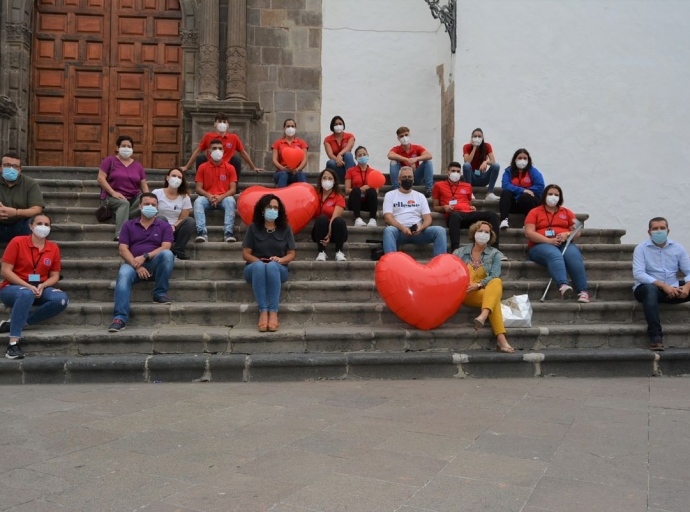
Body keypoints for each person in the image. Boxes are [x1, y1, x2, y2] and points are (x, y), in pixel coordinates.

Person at [0, 214, 69, 359]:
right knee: (26, 293)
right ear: (31, 226)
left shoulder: (53, 248)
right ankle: (13, 344)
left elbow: (55, 275)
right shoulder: (17, 242)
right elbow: (5, 271)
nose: (43, 227)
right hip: (13, 289)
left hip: (39, 289)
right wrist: (27, 286)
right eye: (39, 223)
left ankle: (21, 321)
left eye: (46, 224)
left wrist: (44, 285)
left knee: (61, 299)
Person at [109, 193, 175, 332]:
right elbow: (122, 249)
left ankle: (159, 294)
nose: (150, 207)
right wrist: (136, 265)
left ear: (157, 207)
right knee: (123, 275)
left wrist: (145, 256)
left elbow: (166, 246)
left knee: (167, 254)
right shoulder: (128, 225)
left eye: (153, 204)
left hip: (154, 263)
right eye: (146, 204)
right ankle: (119, 318)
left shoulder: (164, 226)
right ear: (140, 206)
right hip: (133, 265)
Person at [453, 221, 514, 353]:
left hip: (482, 291)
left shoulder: (495, 254)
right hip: (464, 291)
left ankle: (485, 317)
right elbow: (450, 271)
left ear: (490, 236)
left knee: (496, 281)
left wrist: (479, 285)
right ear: (474, 233)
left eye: (487, 232)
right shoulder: (459, 252)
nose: (483, 234)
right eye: (480, 231)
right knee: (494, 300)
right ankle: (500, 338)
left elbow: (494, 275)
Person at [524, 184, 589, 302]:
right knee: (554, 255)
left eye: (556, 195)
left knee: (574, 256)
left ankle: (583, 291)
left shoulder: (567, 212)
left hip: (564, 243)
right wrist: (549, 241)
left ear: (560, 197)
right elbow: (529, 233)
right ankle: (563, 286)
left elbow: (577, 231)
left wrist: (567, 235)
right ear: (544, 196)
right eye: (550, 194)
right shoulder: (534, 212)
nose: (553, 197)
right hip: (540, 245)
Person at [633, 217, 690, 351]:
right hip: (647, 289)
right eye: (655, 229)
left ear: (668, 230)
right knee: (650, 289)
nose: (659, 231)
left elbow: (689, 271)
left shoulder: (678, 248)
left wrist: (687, 287)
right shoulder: (641, 249)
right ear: (649, 232)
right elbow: (639, 274)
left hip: (673, 288)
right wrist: (664, 286)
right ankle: (656, 336)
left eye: (662, 228)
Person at [242, 194, 296, 332]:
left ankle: (273, 312)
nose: (273, 210)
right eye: (269, 207)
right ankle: (263, 311)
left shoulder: (285, 228)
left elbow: (291, 253)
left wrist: (281, 260)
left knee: (272, 266)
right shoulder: (253, 228)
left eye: (275, 208)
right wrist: (259, 262)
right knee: (260, 266)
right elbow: (246, 254)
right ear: (262, 210)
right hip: (254, 268)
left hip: (278, 268)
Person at [433, 161, 501, 252]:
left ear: (461, 173)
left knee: (492, 215)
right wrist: (444, 207)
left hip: (468, 214)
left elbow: (469, 204)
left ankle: (495, 249)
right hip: (454, 216)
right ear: (448, 172)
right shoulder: (438, 185)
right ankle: (455, 250)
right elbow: (435, 207)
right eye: (453, 171)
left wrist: (472, 208)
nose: (455, 173)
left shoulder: (467, 186)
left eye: (458, 171)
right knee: (454, 215)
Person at [382, 166, 447, 257]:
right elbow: (387, 217)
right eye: (404, 177)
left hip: (418, 233)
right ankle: (391, 263)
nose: (407, 179)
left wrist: (421, 227)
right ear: (399, 180)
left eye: (410, 177)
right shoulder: (390, 195)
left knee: (440, 231)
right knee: (389, 230)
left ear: (413, 180)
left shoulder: (420, 196)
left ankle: (441, 263)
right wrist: (403, 228)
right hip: (399, 232)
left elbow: (428, 218)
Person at [97, 135, 149, 241]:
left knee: (145, 201)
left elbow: (143, 184)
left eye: (129, 146)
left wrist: (148, 198)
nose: (126, 148)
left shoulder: (138, 166)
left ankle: (123, 216)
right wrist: (113, 192)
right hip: (112, 197)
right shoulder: (110, 161)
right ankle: (120, 234)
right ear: (118, 148)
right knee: (124, 203)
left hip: (133, 197)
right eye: (123, 146)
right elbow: (100, 178)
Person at [181, 112, 262, 175]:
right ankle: (200, 184)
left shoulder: (233, 137)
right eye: (220, 121)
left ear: (228, 125)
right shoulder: (208, 136)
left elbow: (243, 153)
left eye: (224, 122)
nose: (222, 123)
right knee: (200, 158)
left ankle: (235, 186)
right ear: (215, 124)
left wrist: (253, 167)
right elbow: (198, 151)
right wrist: (187, 166)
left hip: (227, 167)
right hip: (211, 165)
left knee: (236, 160)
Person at [194, 139, 238, 243]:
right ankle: (202, 233)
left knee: (231, 201)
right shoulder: (202, 167)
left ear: (223, 151)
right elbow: (198, 188)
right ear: (209, 151)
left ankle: (228, 233)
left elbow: (233, 189)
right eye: (214, 148)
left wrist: (221, 197)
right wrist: (208, 195)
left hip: (224, 198)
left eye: (220, 148)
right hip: (207, 198)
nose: (217, 150)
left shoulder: (230, 168)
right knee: (197, 202)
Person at [0, 152, 44, 244]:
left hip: (20, 226)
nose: (11, 168)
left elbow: (37, 209)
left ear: (20, 170)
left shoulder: (30, 184)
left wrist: (15, 212)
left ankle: (27, 255)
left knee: (33, 222)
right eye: (6, 165)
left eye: (15, 166)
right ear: (1, 167)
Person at [152, 168, 195, 260]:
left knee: (190, 221)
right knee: (160, 218)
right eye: (174, 176)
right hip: (159, 227)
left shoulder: (185, 197)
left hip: (175, 229)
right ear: (167, 178)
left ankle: (178, 250)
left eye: (179, 177)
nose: (176, 179)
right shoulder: (156, 193)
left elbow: (183, 218)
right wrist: (167, 226)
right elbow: (152, 214)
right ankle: (160, 248)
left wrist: (174, 226)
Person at [498, 148, 544, 229]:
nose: (522, 160)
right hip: (515, 203)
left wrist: (525, 193)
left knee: (525, 196)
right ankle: (504, 220)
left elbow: (540, 185)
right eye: (519, 158)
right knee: (505, 193)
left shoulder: (533, 171)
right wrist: (523, 190)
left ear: (528, 160)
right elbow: (505, 185)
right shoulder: (509, 171)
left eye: (525, 158)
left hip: (529, 202)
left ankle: (529, 222)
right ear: (515, 159)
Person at [387, 126, 434, 197]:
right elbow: (390, 155)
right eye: (401, 136)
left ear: (410, 135)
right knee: (393, 162)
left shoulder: (416, 147)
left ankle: (429, 189)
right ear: (398, 138)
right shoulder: (397, 149)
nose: (404, 138)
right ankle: (396, 188)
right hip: (402, 178)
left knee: (428, 162)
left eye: (406, 135)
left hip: (415, 176)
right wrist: (407, 160)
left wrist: (416, 159)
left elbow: (429, 155)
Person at [312, 169, 348, 262]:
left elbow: (335, 216)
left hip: (335, 231)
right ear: (320, 180)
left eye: (330, 178)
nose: (327, 180)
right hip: (319, 231)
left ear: (334, 181)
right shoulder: (315, 195)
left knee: (339, 221)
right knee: (322, 218)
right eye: (324, 178)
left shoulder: (339, 197)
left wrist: (329, 233)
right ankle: (321, 252)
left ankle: (339, 252)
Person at [345, 146, 380, 228]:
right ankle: (357, 219)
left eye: (364, 154)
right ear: (356, 158)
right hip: (355, 202)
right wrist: (360, 189)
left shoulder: (374, 172)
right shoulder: (350, 171)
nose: (362, 156)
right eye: (360, 155)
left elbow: (376, 191)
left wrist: (367, 188)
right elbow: (347, 190)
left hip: (367, 202)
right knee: (356, 189)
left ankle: (373, 219)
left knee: (371, 190)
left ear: (368, 155)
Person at [462, 128, 500, 201]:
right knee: (466, 166)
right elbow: (467, 161)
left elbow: (493, 161)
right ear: (472, 138)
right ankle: (469, 192)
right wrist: (474, 147)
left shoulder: (487, 146)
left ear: (482, 138)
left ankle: (490, 193)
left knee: (496, 166)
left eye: (479, 136)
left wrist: (485, 162)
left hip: (482, 176)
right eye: (475, 136)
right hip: (471, 177)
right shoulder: (466, 146)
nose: (477, 138)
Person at [272, 118, 308, 188]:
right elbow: (274, 160)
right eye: (288, 126)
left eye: (292, 126)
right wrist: (282, 168)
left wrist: (298, 169)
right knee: (284, 174)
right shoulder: (278, 143)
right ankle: (280, 197)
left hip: (296, 173)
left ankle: (304, 196)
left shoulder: (301, 143)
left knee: (301, 174)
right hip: (280, 173)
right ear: (284, 128)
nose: (290, 128)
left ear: (295, 128)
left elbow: (305, 160)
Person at [323, 115, 355, 183]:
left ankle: (348, 180)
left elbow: (349, 147)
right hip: (336, 163)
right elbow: (330, 154)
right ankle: (348, 180)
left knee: (348, 154)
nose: (338, 126)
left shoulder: (350, 136)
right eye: (336, 124)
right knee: (330, 163)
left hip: (348, 163)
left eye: (340, 124)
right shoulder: (328, 139)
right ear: (332, 126)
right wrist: (338, 160)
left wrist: (339, 155)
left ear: (343, 125)